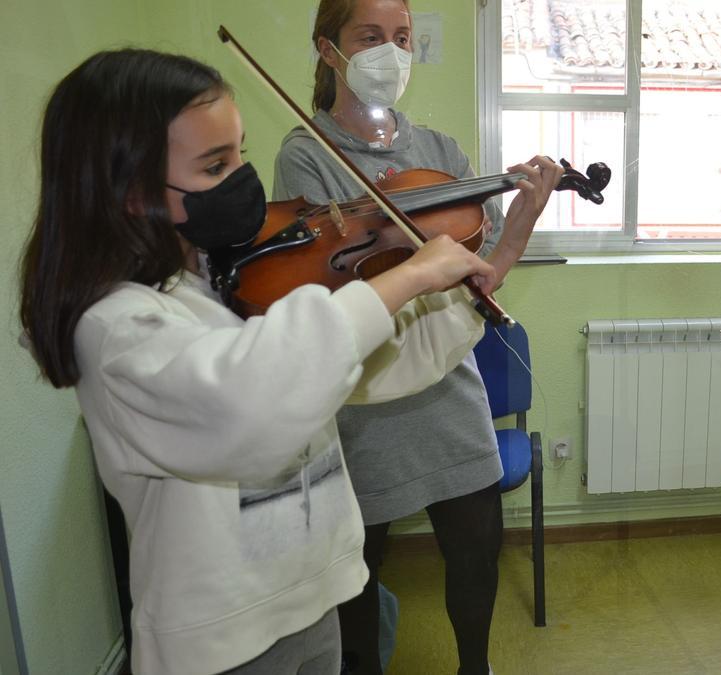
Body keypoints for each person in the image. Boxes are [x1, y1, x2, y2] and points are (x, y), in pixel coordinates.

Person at [18, 48, 504, 675]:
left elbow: (378, 366)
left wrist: (456, 282)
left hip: (315, 598)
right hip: (223, 641)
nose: (244, 180)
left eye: (241, 153)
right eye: (216, 164)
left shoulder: (235, 283)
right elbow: (251, 405)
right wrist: (403, 279)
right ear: (131, 191)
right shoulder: (118, 328)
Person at [273, 1, 563, 673]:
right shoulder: (306, 154)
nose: (390, 53)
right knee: (359, 576)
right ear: (329, 50)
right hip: (365, 395)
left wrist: (520, 220)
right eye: (369, 37)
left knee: (474, 551)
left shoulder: (440, 152)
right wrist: (414, 263)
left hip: (446, 384)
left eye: (401, 37)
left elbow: (481, 281)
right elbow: (332, 291)